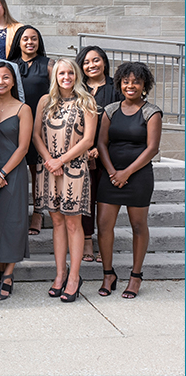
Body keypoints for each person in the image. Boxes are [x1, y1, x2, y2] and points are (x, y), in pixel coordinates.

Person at [33, 58, 97, 303]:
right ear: (55, 76)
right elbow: (36, 135)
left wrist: (61, 161)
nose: (66, 77)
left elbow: (88, 140)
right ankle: (60, 275)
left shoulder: (87, 101)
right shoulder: (45, 101)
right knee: (57, 222)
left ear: (76, 75)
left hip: (74, 169)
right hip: (48, 167)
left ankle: (74, 277)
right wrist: (50, 159)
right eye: (62, 73)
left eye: (70, 72)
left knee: (73, 224)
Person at [96, 62, 162, 299]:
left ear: (144, 85)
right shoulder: (111, 109)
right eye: (126, 81)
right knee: (103, 226)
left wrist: (127, 173)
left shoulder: (151, 111)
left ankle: (135, 276)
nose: (130, 85)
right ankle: (108, 274)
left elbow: (152, 148)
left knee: (138, 226)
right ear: (120, 83)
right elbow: (102, 143)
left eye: (136, 81)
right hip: (111, 175)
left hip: (139, 176)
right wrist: (113, 171)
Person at [0, 63, 32, 301]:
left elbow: (23, 147)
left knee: (12, 224)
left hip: (13, 174)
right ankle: (0, 272)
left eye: (6, 77)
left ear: (13, 81)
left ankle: (8, 276)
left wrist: (2, 173)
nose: (0, 81)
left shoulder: (23, 109)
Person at [7, 25, 55, 236]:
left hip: (40, 123)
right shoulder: (9, 65)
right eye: (25, 39)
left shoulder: (49, 65)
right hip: (14, 123)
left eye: (33, 39)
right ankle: (16, 212)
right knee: (16, 169)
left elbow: (56, 94)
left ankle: (37, 212)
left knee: (37, 170)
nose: (29, 42)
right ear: (18, 41)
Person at [76, 46, 122, 262]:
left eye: (96, 60)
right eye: (86, 62)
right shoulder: (77, 88)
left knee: (103, 199)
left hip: (108, 153)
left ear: (104, 62)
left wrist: (98, 147)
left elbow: (122, 120)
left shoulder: (116, 87)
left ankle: (104, 240)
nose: (91, 65)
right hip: (78, 154)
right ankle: (86, 240)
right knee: (85, 197)